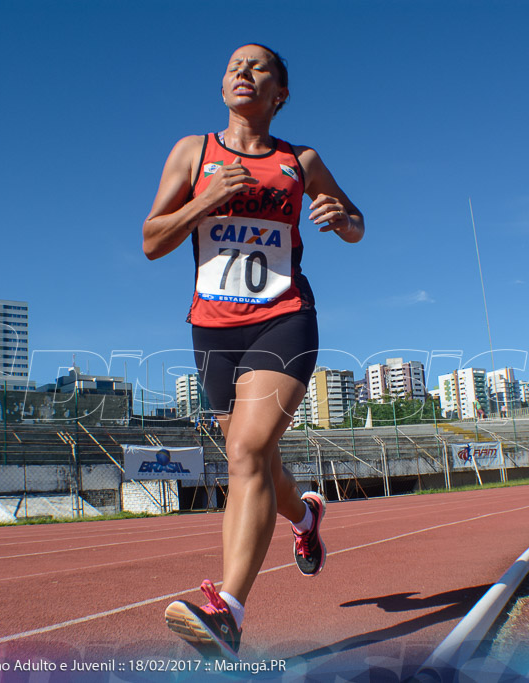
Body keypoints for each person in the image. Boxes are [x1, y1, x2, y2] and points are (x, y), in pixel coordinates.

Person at [142, 43, 364, 660]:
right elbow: (152, 241)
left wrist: (339, 217)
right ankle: (306, 519)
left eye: (259, 66)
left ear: (280, 94)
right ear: (222, 87)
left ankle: (227, 611)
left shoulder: (301, 159)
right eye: (235, 65)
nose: (244, 72)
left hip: (284, 319)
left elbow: (356, 222)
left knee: (247, 449)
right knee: (257, 462)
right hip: (213, 329)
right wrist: (205, 201)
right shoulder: (195, 152)